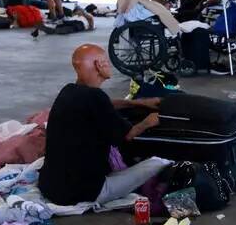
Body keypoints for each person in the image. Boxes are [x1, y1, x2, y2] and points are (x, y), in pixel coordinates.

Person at [37, 44, 168, 206]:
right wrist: (150, 120)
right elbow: (129, 135)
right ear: (98, 65)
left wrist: (138, 103)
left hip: (50, 187)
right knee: (161, 161)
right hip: (84, 193)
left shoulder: (69, 91)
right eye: (106, 61)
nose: (109, 65)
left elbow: (106, 104)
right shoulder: (96, 98)